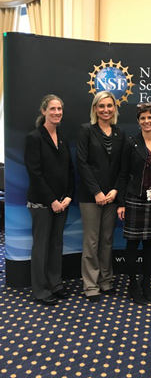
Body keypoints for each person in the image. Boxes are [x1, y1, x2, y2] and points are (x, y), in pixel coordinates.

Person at [24, 94, 75, 305]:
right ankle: (41, 289)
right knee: (41, 247)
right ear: (43, 111)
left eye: (59, 109)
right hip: (42, 203)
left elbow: (70, 171)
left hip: (63, 203)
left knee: (56, 244)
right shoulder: (34, 138)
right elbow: (34, 174)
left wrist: (69, 196)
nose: (56, 113)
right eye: (52, 109)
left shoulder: (62, 138)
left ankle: (55, 284)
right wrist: (52, 200)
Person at [117, 102, 151, 305]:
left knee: (149, 244)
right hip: (134, 199)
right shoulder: (131, 143)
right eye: (143, 118)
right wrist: (121, 203)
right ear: (138, 122)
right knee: (132, 244)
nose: (147, 121)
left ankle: (146, 283)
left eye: (150, 118)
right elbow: (122, 174)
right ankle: (132, 285)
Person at [77, 91, 125, 302]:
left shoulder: (120, 133)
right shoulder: (86, 131)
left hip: (112, 197)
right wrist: (96, 191)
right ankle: (90, 285)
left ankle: (106, 281)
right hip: (90, 197)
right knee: (91, 241)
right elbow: (82, 163)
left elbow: (123, 167)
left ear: (115, 108)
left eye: (109, 106)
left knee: (107, 240)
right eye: (101, 106)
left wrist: (114, 191)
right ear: (95, 109)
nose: (106, 110)